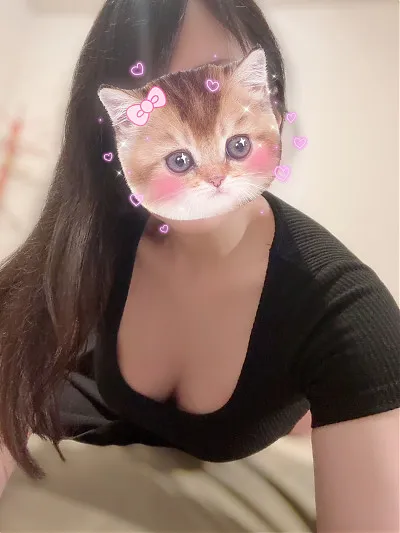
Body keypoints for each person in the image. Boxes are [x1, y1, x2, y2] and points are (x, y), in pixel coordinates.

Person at [0, 0, 399, 530]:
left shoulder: (350, 317)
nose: (214, 177)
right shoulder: (102, 233)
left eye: (234, 142)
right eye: (180, 157)